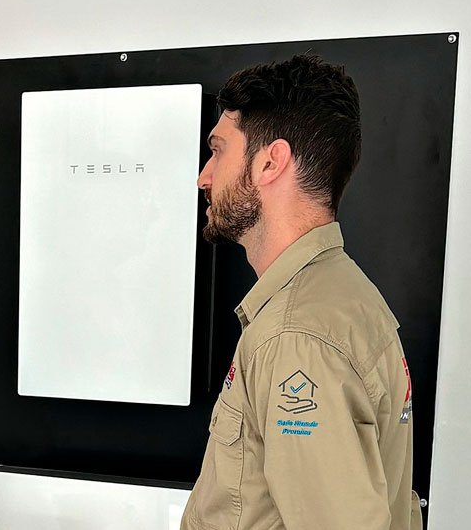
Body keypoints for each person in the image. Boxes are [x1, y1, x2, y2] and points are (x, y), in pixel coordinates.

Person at [180, 56, 421, 530]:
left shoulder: (297, 335)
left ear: (271, 162)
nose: (204, 176)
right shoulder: (344, 296)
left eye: (219, 150)